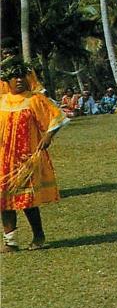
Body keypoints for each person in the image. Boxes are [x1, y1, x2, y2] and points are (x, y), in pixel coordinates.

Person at [1, 58, 69, 252]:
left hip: (26, 159)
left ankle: (38, 236)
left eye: (21, 76)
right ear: (7, 80)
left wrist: (49, 135)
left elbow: (56, 116)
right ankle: (10, 241)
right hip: (3, 159)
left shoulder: (34, 99)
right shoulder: (2, 101)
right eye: (14, 76)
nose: (19, 80)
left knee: (27, 201)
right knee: (3, 200)